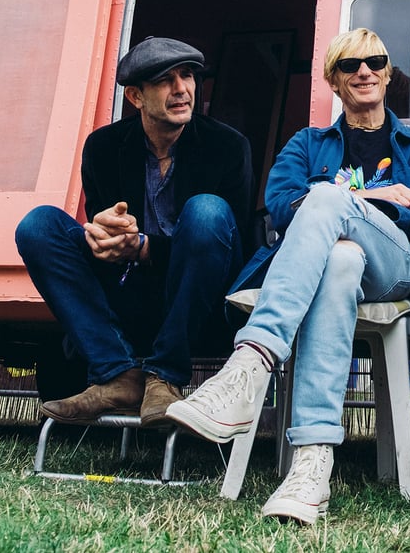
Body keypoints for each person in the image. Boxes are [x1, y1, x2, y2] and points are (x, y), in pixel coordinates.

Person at [166, 28, 410, 525]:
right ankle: (311, 466)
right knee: (340, 258)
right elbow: (279, 207)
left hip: (394, 270)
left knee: (323, 198)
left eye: (374, 61)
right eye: (349, 65)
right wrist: (372, 199)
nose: (363, 70)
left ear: (387, 74)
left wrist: (350, 204)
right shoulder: (307, 143)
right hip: (332, 269)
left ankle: (250, 363)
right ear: (334, 83)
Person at [15, 36, 253, 428]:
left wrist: (144, 247)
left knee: (207, 211)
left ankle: (166, 377)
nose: (182, 90)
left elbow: (229, 241)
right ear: (136, 97)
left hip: (201, 297)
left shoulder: (227, 147)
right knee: (38, 225)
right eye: (165, 80)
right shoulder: (103, 147)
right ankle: (116, 375)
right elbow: (105, 234)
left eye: (188, 76)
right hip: (129, 294)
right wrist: (106, 233)